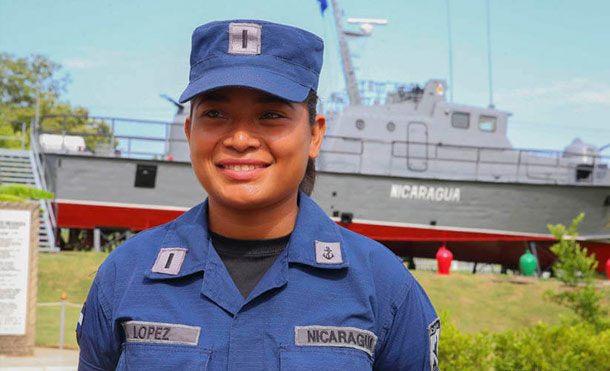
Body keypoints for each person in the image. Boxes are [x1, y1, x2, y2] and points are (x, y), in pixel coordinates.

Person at [76, 19, 439, 370]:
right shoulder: (126, 275)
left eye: (270, 114)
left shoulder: (383, 284)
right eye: (215, 113)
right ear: (189, 132)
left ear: (314, 135)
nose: (239, 140)